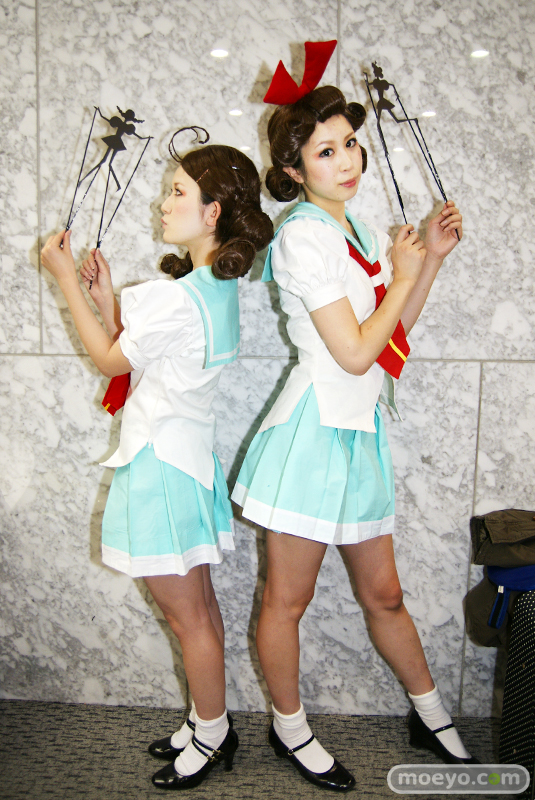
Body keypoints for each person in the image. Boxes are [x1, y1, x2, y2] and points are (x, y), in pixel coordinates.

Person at [231, 42, 472, 792]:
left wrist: (427, 262)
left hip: (358, 433)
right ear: (293, 168)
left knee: (385, 595)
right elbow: (354, 352)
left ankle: (429, 715)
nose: (347, 160)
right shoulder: (302, 235)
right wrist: (404, 276)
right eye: (326, 150)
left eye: (350, 144)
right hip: (311, 436)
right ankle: (290, 729)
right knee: (287, 599)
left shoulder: (354, 230)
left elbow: (388, 341)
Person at [41, 131, 273, 791]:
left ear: (212, 213)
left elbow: (111, 359)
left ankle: (211, 734)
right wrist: (106, 299)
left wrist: (66, 281)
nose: (162, 204)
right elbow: (151, 351)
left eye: (176, 192)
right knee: (199, 607)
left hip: (162, 470)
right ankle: (207, 720)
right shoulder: (213, 291)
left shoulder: (180, 296)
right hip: (187, 464)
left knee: (187, 615)